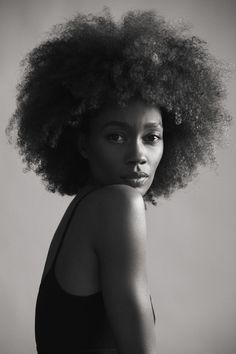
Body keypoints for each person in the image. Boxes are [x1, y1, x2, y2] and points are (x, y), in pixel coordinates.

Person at [6, 7, 231, 354]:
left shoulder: (85, 208)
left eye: (151, 137)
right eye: (115, 136)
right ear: (82, 143)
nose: (138, 154)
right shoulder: (117, 204)